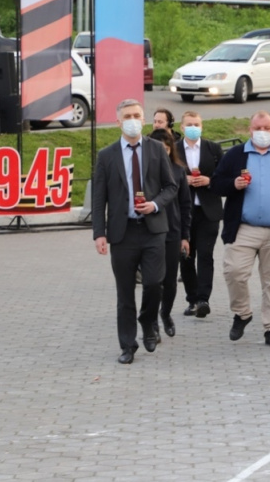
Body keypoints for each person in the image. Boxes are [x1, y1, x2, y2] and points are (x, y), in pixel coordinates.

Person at [210, 111, 270, 348]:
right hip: (244, 227)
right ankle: (242, 313)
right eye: (258, 128)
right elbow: (216, 183)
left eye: (266, 128)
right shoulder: (235, 154)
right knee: (234, 271)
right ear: (249, 129)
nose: (262, 133)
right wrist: (233, 184)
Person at [92, 99, 178, 364]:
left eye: (136, 115)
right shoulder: (107, 156)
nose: (132, 119)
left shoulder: (156, 150)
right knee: (125, 292)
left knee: (154, 283)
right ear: (118, 121)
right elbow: (99, 197)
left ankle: (148, 321)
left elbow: (170, 187)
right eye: (127, 115)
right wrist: (99, 233)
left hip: (153, 229)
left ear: (144, 120)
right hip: (122, 233)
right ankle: (128, 345)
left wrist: (154, 204)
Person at [176, 111, 225, 319]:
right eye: (189, 124)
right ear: (182, 127)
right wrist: (182, 181)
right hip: (183, 212)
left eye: (196, 124)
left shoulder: (213, 148)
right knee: (186, 257)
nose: (193, 127)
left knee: (205, 255)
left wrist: (209, 181)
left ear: (202, 126)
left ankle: (204, 299)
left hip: (208, 210)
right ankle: (192, 299)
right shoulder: (175, 150)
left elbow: (223, 177)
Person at [148, 128, 192, 341]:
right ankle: (152, 323)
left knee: (170, 281)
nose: (162, 152)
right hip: (149, 232)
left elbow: (185, 204)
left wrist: (185, 236)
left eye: (166, 148)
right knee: (153, 280)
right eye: (158, 148)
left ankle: (165, 313)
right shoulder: (144, 170)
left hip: (172, 231)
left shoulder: (178, 170)